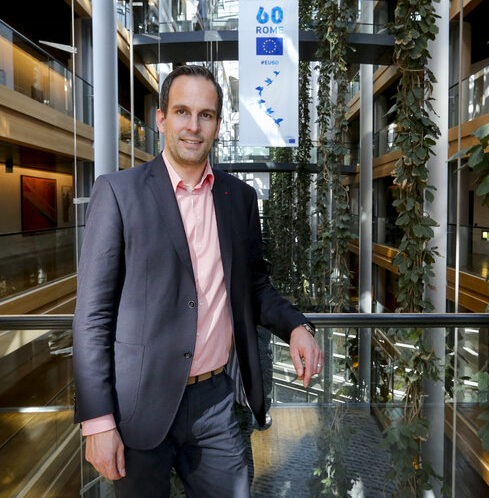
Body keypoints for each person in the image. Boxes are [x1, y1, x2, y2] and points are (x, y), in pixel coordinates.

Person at [73, 65, 324, 497]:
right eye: (182, 111)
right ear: (161, 119)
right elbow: (93, 316)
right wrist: (97, 422)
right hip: (138, 406)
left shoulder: (238, 197)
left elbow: (255, 286)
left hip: (215, 402)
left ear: (218, 124)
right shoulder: (118, 193)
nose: (193, 125)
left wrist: (297, 326)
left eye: (205, 114)